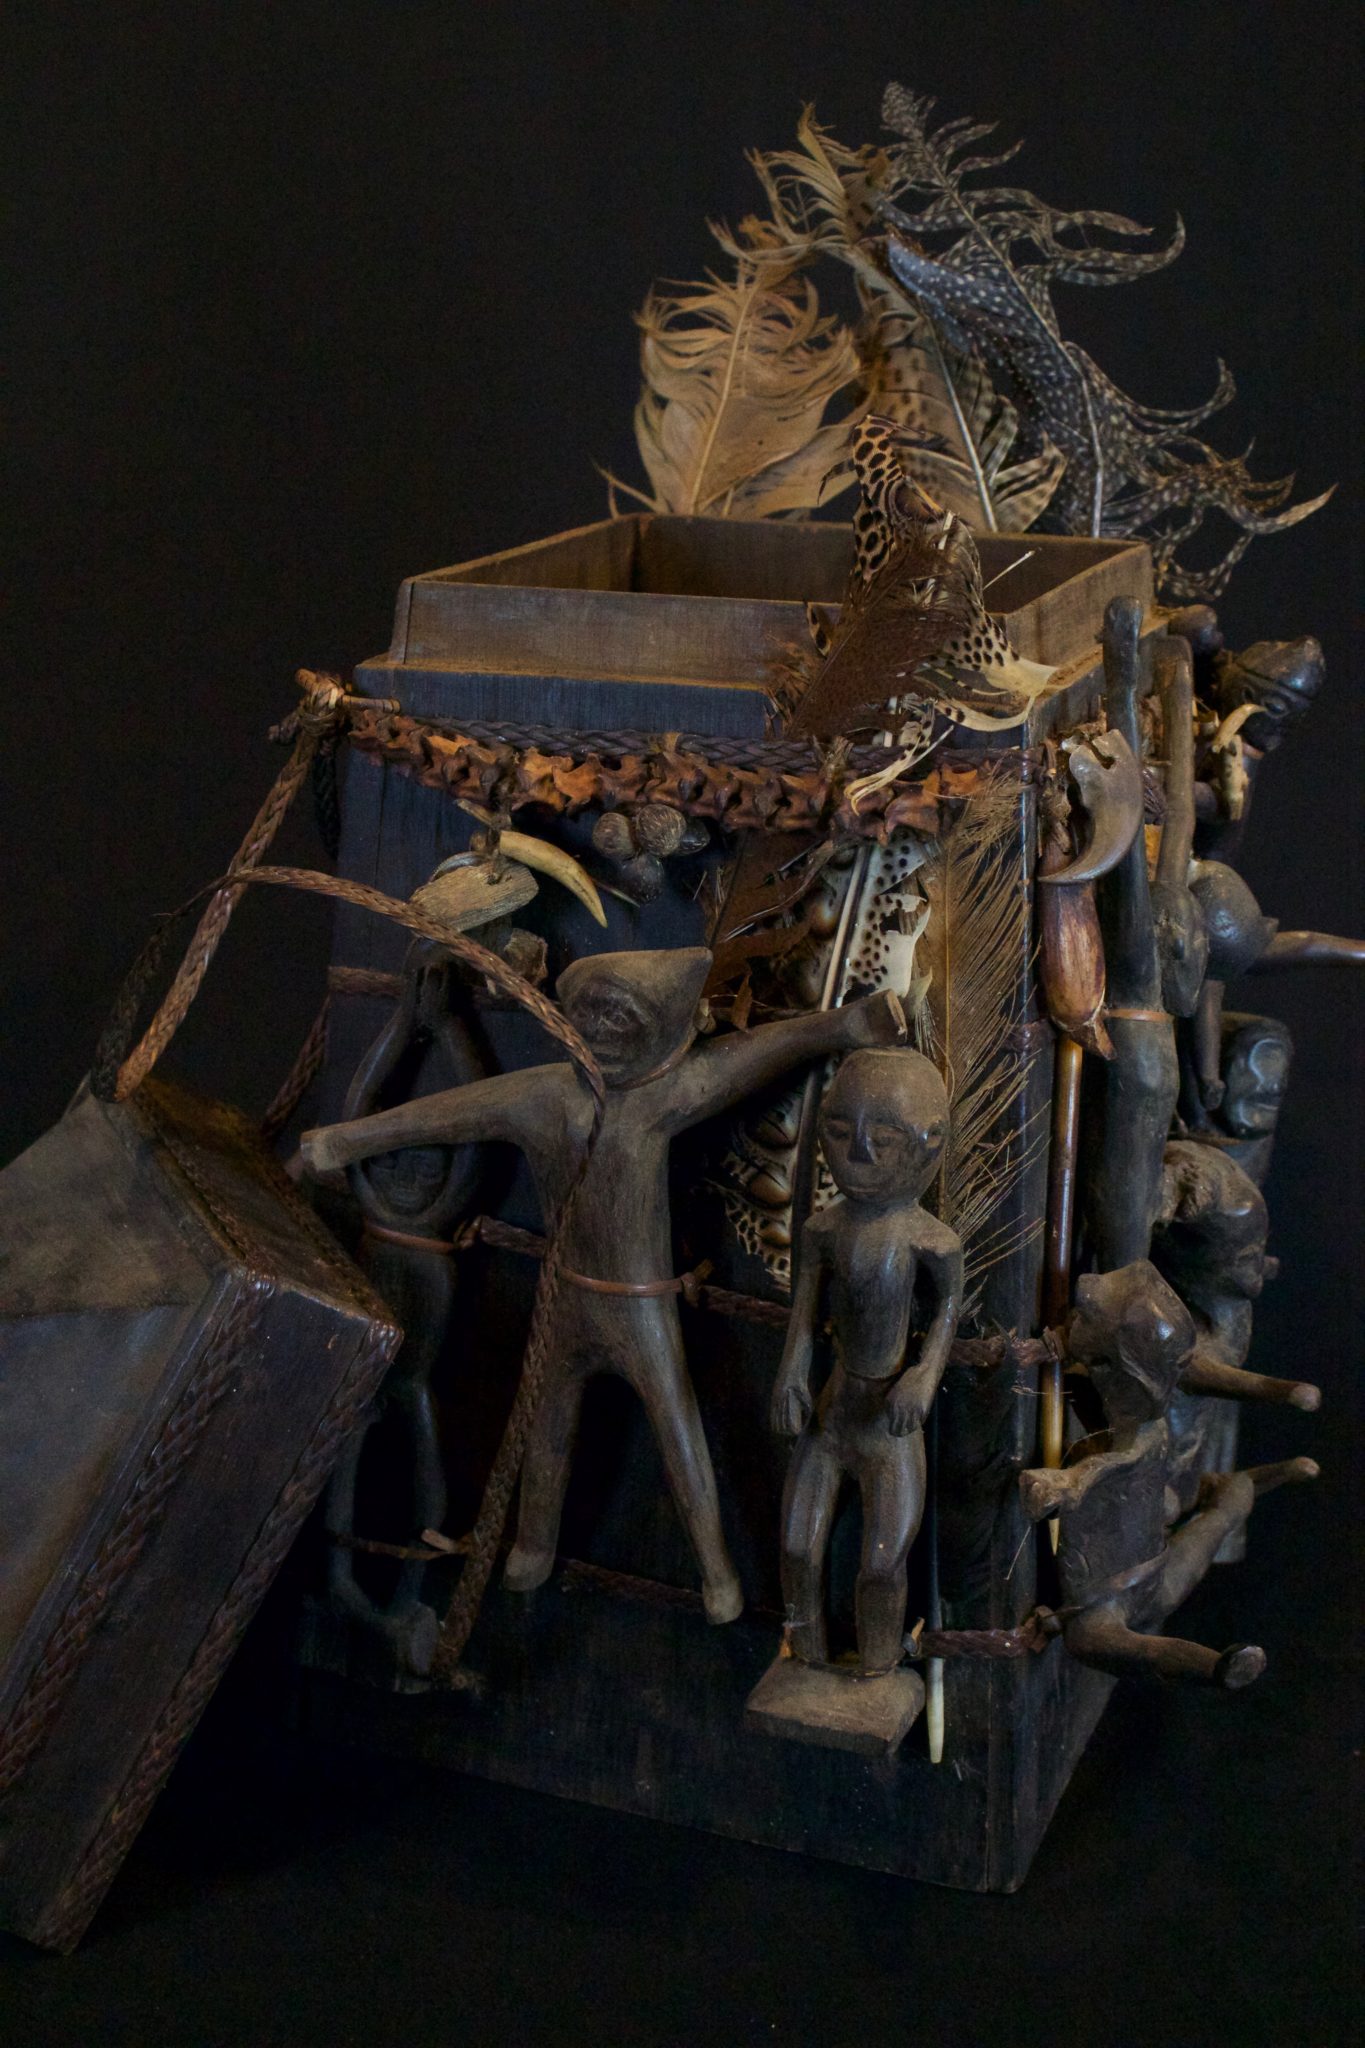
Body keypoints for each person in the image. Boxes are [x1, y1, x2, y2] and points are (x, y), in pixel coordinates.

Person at [304, 946, 906, 1623]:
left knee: (678, 1430)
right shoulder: (541, 1096)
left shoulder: (660, 1098)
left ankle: (715, 1573)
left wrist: (844, 1027)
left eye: (623, 1018)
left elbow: (751, 1056)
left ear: (661, 1033)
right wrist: (344, 1141)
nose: (603, 1032)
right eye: (590, 1014)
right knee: (546, 1422)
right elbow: (440, 1114)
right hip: (565, 1298)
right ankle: (533, 1543)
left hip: (641, 1308)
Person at [769, 1048, 963, 1675]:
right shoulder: (823, 1230)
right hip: (833, 1411)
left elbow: (948, 1309)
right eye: (836, 1130)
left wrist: (924, 1374)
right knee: (797, 1548)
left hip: (888, 1428)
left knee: (882, 1562)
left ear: (930, 1146)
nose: (859, 1153)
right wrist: (793, 1369)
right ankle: (807, 1661)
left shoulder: (930, 1240)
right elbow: (803, 1314)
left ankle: (877, 1670)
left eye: (883, 1134)